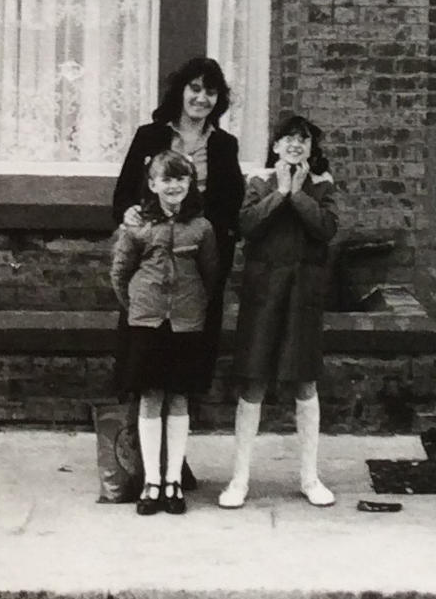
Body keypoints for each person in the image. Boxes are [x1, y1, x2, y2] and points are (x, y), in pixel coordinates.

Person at [219, 111, 339, 510]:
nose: (295, 144)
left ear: (310, 148)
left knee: (305, 382)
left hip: (302, 295)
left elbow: (326, 229)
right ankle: (239, 479)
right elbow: (247, 225)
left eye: (303, 139)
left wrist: (299, 193)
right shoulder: (257, 181)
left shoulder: (322, 185)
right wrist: (281, 193)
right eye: (287, 138)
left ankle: (310, 477)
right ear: (274, 146)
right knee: (253, 382)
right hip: (263, 295)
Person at [111, 55, 246, 385]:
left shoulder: (224, 145)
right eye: (195, 88)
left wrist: (209, 235)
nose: (202, 98)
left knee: (193, 338)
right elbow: (125, 191)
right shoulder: (150, 136)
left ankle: (181, 415)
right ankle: (141, 418)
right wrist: (128, 211)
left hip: (198, 252)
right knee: (144, 339)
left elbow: (232, 202)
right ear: (181, 91)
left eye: (211, 92)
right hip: (152, 251)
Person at [110, 151, 220, 514]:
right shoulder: (137, 225)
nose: (174, 186)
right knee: (150, 398)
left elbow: (211, 274)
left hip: (186, 323)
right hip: (147, 323)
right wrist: (139, 310)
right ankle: (151, 482)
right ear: (153, 184)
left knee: (178, 398)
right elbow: (120, 274)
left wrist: (193, 309)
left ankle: (174, 480)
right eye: (166, 179)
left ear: (191, 185)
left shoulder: (202, 228)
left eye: (181, 179)